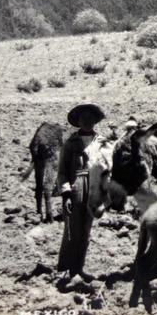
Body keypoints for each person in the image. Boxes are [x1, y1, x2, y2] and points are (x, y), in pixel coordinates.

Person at [56, 103, 107, 279]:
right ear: (78, 121)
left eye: (90, 118)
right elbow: (62, 172)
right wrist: (66, 194)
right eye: (83, 119)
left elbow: (107, 168)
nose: (87, 122)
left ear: (95, 121)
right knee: (71, 230)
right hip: (76, 187)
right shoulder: (70, 143)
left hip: (94, 188)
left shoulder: (102, 142)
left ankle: (78, 269)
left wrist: (104, 196)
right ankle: (64, 269)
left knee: (85, 231)